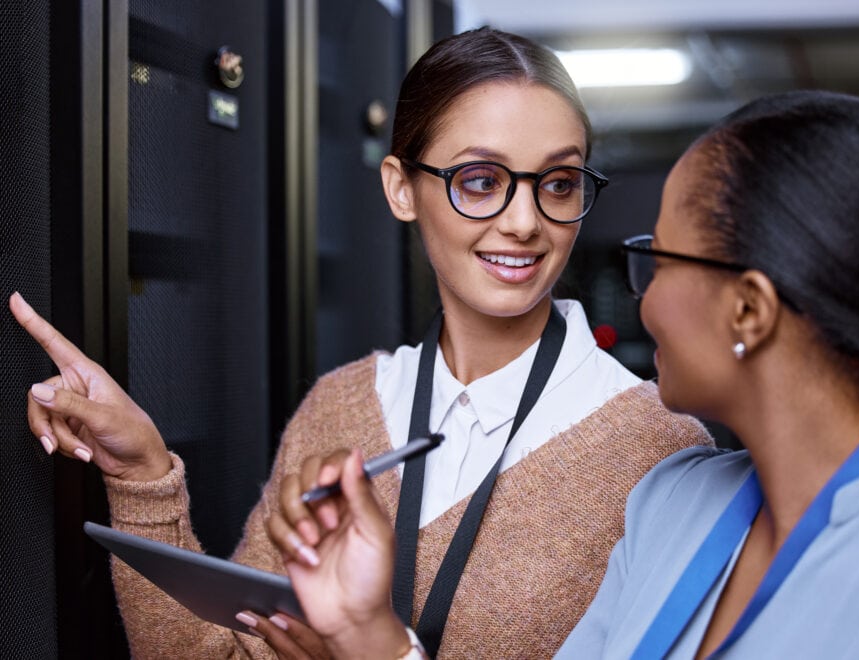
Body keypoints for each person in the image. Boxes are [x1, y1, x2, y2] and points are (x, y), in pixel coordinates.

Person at [8, 26, 710, 659]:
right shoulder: (342, 406)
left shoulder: (659, 447)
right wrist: (142, 476)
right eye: (480, 180)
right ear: (401, 189)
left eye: (558, 183)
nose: (526, 221)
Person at [270, 89, 859, 659]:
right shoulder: (675, 503)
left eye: (657, 260)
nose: (646, 296)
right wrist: (369, 630)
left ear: (749, 312)